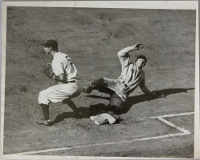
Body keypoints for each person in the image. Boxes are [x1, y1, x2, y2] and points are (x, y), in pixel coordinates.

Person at [84, 44, 160, 116]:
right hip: (115, 84)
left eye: (143, 62)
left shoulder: (142, 75)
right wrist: (133, 48)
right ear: (136, 61)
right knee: (96, 81)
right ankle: (88, 90)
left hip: (122, 93)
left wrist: (153, 95)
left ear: (144, 65)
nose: (141, 63)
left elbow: (143, 88)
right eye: (140, 60)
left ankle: (103, 109)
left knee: (116, 109)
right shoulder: (127, 65)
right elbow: (120, 53)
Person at [36, 40, 82, 126]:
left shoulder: (56, 60)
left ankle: (47, 120)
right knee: (61, 93)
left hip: (69, 88)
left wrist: (51, 76)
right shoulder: (64, 55)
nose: (44, 48)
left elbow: (61, 78)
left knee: (43, 94)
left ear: (50, 48)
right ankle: (77, 112)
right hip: (78, 86)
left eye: (46, 47)